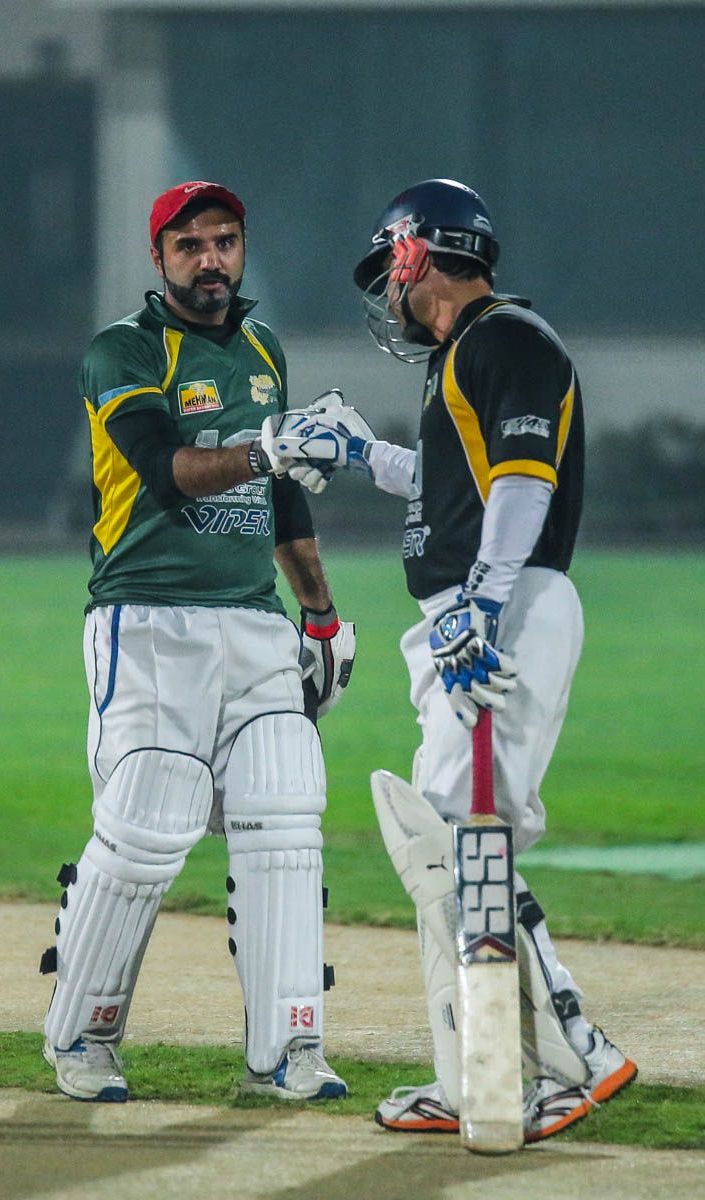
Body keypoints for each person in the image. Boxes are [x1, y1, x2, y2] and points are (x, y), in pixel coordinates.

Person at [263, 178, 637, 1141]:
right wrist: (360, 453)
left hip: (499, 611)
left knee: (463, 845)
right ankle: (481, 1074)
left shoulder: (506, 338)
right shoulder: (468, 355)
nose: (386, 289)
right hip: (476, 611)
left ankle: (565, 1060)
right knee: (453, 848)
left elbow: (523, 479)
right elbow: (446, 481)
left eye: (389, 265)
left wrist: (483, 599)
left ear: (416, 253)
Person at [39, 180, 356, 1104]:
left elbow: (284, 500)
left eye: (225, 241)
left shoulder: (264, 349)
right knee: (147, 815)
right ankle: (84, 1036)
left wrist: (321, 615)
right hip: (147, 618)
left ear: (242, 249)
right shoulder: (124, 350)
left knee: (285, 813)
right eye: (190, 245)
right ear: (160, 257)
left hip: (255, 620)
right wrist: (267, 448)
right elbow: (166, 472)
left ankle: (289, 1046)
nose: (210, 258)